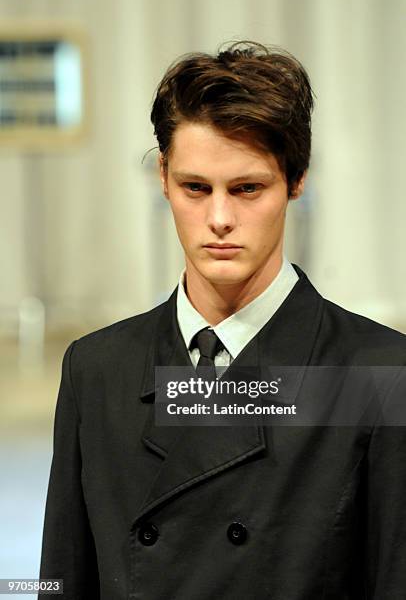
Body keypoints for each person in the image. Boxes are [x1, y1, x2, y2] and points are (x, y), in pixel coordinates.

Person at [38, 42, 406, 600]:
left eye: (247, 189)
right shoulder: (96, 369)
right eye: (195, 188)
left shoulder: (380, 373)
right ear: (162, 177)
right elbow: (61, 579)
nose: (218, 220)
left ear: (297, 179)